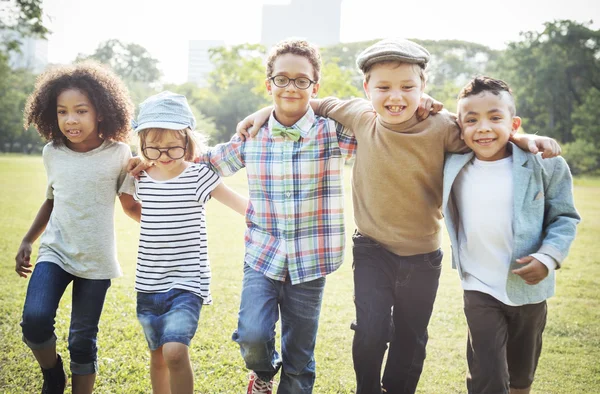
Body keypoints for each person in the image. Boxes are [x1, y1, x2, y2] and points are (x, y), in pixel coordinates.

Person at [237, 38, 561, 394]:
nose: (396, 96)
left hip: (423, 257)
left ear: (423, 88)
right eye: (384, 87)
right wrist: (262, 112)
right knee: (371, 332)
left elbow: (483, 130)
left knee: (411, 338)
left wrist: (524, 137)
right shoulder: (359, 116)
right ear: (366, 88)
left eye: (408, 87)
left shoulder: (441, 127)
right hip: (372, 250)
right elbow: (304, 100)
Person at [442, 76, 580, 394]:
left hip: (528, 288)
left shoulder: (546, 165)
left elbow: (565, 218)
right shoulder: (451, 164)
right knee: (487, 375)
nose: (483, 128)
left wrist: (547, 258)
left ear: (513, 123)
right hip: (477, 286)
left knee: (521, 377)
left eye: (495, 117)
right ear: (459, 127)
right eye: (471, 120)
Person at [15, 61, 141, 394]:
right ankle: (52, 374)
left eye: (81, 111)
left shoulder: (119, 154)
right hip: (55, 252)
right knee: (35, 321)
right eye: (62, 112)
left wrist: (162, 215)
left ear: (100, 112)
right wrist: (29, 240)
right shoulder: (52, 152)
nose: (71, 120)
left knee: (82, 340)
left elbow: (129, 205)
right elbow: (52, 200)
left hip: (97, 261)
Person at [131, 91, 247, 394]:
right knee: (157, 357)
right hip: (148, 283)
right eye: (154, 149)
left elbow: (240, 205)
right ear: (142, 144)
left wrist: (281, 219)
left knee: (175, 352)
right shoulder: (140, 177)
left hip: (187, 282)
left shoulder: (199, 176)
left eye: (172, 147)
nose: (164, 156)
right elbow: (131, 207)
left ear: (188, 142)